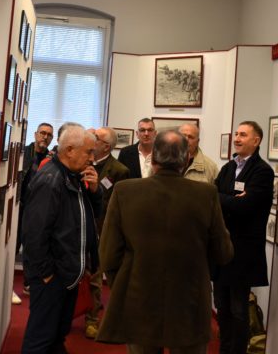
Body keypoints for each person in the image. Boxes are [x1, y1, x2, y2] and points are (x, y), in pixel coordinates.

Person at [97, 130, 234, 354]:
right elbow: (223, 252)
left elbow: (108, 255)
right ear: (186, 159)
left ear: (153, 158)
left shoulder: (125, 191)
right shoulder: (207, 194)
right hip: (190, 301)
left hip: (138, 296)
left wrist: (121, 284)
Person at [21, 125, 101, 354]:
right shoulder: (50, 180)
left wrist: (95, 191)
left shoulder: (73, 176)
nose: (92, 158)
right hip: (52, 276)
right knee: (41, 340)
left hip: (67, 273)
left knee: (57, 335)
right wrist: (47, 274)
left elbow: (90, 215)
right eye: (88, 152)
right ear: (69, 150)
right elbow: (34, 234)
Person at [214, 121, 274, 354]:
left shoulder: (262, 171)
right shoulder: (228, 168)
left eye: (243, 135)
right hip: (221, 249)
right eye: (236, 134)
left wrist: (223, 198)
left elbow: (245, 207)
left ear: (256, 141)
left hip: (243, 252)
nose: (237, 138)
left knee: (239, 310)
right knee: (221, 306)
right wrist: (231, 199)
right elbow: (211, 196)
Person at [83, 126, 130, 339]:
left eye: (96, 138)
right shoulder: (81, 162)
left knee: (95, 276)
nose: (91, 139)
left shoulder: (119, 170)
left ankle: (92, 319)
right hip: (78, 227)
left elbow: (118, 206)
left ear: (106, 146)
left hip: (102, 230)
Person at [14, 122, 54, 301]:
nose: (45, 137)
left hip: (37, 210)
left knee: (32, 247)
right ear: (35, 134)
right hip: (18, 207)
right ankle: (6, 287)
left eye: (49, 135)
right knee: (13, 245)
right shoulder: (22, 153)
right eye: (42, 133)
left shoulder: (52, 159)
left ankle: (29, 283)